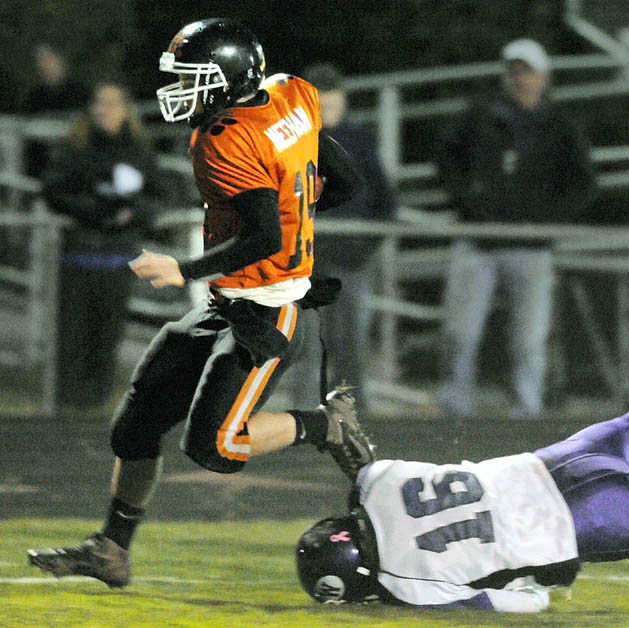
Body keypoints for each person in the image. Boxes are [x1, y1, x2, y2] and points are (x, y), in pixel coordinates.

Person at [27, 17, 374, 588]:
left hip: (265, 309)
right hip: (232, 301)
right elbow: (344, 181)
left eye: (192, 78)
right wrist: (295, 224)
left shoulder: (224, 137)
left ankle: (324, 425)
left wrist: (182, 268)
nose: (181, 91)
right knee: (135, 427)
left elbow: (265, 237)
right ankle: (111, 549)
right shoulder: (290, 93)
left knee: (215, 445)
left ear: (230, 77)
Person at [296, 297, 629, 613]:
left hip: (586, 522)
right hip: (552, 463)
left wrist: (533, 586)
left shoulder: (404, 584)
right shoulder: (380, 483)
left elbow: (519, 604)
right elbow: (363, 467)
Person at [434, 38, 598, 420]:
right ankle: (455, 408)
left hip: (530, 245)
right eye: (514, 69)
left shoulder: (559, 126)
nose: (519, 77)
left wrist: (548, 217)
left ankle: (526, 411)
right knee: (460, 334)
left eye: (526, 70)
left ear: (544, 77)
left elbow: (584, 181)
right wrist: (467, 200)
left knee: (528, 340)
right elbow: (444, 156)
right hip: (479, 241)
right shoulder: (479, 116)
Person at [41, 82, 165, 409]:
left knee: (106, 337)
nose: (104, 110)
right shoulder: (75, 147)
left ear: (125, 109)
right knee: (72, 336)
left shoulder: (138, 149)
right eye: (98, 102)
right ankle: (64, 404)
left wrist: (133, 213)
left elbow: (160, 195)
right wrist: (94, 209)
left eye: (112, 103)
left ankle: (94, 404)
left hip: (117, 259)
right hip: (78, 256)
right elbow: (53, 190)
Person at [285, 62, 397, 414]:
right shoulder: (290, 142)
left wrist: (363, 248)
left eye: (333, 106)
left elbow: (384, 201)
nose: (328, 114)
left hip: (349, 261)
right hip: (304, 263)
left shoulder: (360, 141)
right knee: (305, 343)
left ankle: (352, 420)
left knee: (349, 345)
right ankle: (300, 421)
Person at [21, 44, 90, 177]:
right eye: (40, 62)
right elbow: (27, 123)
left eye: (49, 60)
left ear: (61, 62)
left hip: (73, 153)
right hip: (42, 156)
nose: (44, 66)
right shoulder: (35, 96)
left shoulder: (80, 91)